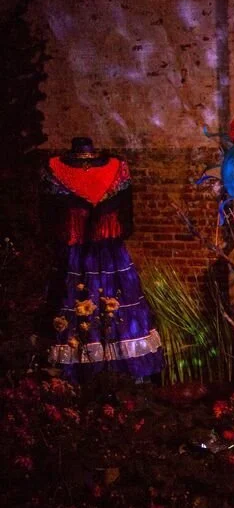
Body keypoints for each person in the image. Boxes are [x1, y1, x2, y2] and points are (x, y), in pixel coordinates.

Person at [44, 137, 163, 380]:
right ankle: (105, 369)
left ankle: (100, 371)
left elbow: (49, 217)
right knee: (104, 300)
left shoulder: (108, 168)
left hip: (88, 252)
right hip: (99, 252)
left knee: (90, 300)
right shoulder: (109, 169)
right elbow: (126, 217)